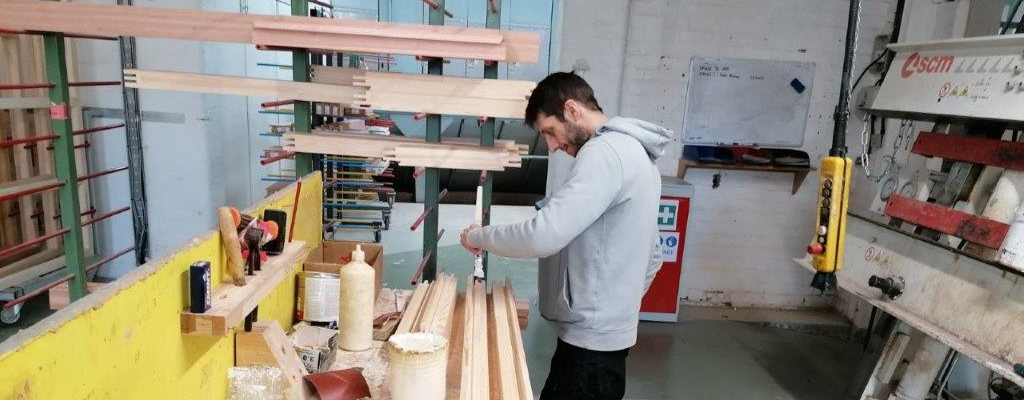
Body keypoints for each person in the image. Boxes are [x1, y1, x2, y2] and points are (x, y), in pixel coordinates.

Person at [459, 71, 673, 400]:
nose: (553, 146)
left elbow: (543, 235)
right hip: (607, 340)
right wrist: (616, 306)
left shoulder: (604, 154)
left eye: (550, 131)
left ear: (572, 110)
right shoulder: (637, 154)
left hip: (589, 347)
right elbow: (653, 256)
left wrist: (478, 237)